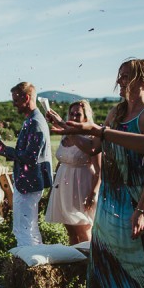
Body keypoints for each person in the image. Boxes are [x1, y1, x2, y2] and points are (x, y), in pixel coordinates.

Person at [47, 58, 144, 288]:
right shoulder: (116, 114)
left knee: (135, 263)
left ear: (143, 81)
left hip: (134, 200)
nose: (119, 81)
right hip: (108, 200)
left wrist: (143, 209)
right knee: (104, 261)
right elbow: (92, 148)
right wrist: (67, 130)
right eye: (120, 75)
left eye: (126, 76)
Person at [0, 81, 52, 246]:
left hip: (29, 183)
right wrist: (0, 149)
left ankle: (28, 264)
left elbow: (30, 157)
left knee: (23, 230)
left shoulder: (36, 122)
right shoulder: (31, 119)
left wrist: (1, 149)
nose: (13, 104)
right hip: (27, 182)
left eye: (16, 100)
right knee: (29, 228)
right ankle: (35, 264)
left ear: (27, 98)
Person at [45, 100, 101, 245]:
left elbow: (100, 171)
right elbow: (61, 162)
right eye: (72, 114)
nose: (74, 117)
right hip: (63, 187)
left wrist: (93, 194)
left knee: (83, 231)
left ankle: (89, 263)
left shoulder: (91, 138)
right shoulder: (65, 134)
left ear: (85, 117)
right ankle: (75, 265)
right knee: (71, 232)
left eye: (78, 114)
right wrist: (53, 188)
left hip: (82, 187)